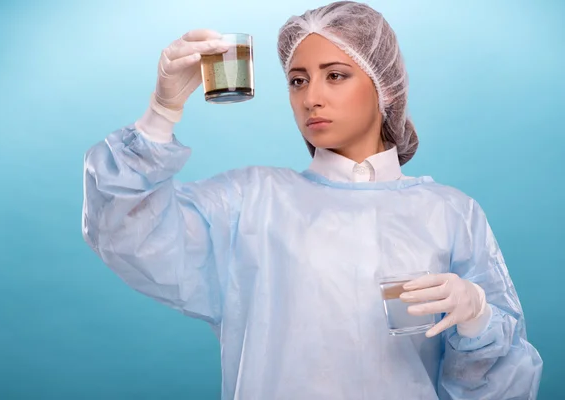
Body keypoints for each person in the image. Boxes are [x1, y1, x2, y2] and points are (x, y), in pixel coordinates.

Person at [81, 1, 542, 399]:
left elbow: (498, 388)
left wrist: (478, 319)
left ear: (385, 89)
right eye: (298, 81)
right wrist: (160, 115)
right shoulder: (251, 203)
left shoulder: (449, 213)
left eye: (335, 76)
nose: (311, 98)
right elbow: (126, 232)